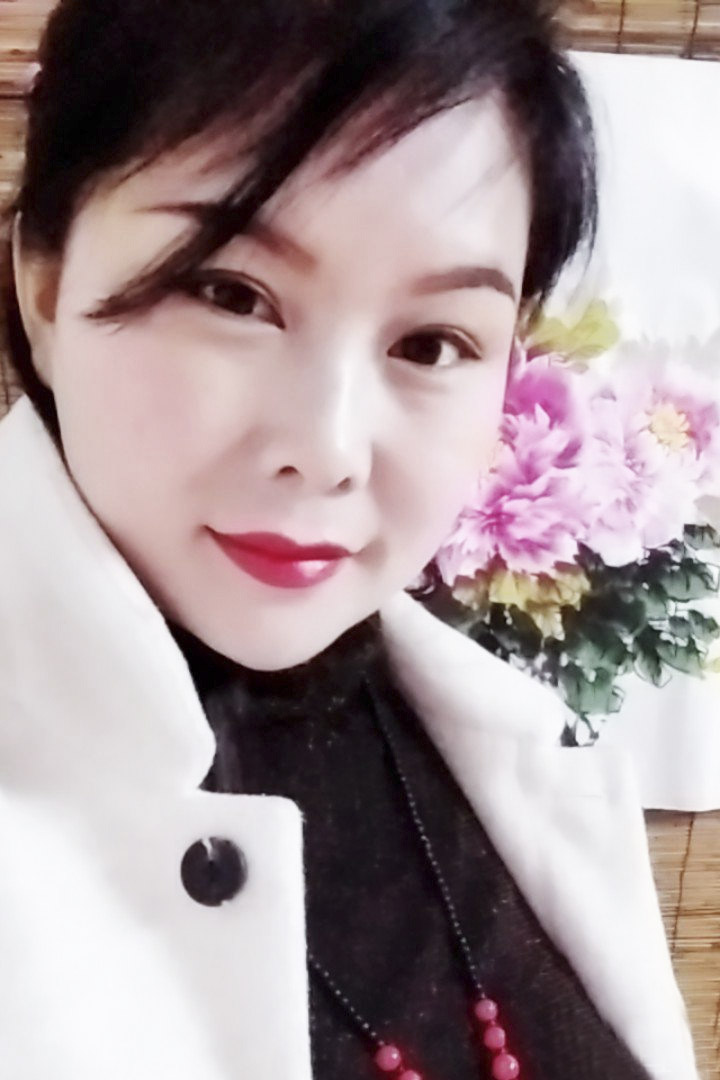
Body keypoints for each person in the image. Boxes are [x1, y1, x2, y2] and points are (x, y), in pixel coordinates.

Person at [0, 1, 698, 1078]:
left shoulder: (485, 741)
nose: (328, 450)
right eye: (230, 293)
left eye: (433, 342)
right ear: (45, 285)